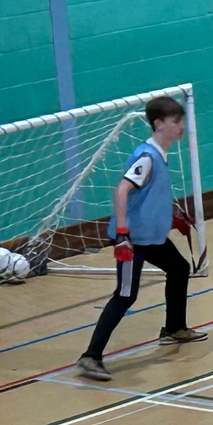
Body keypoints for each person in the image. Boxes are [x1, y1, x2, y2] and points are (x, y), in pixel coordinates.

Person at [76, 96, 206, 382]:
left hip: (152, 238)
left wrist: (169, 218)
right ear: (159, 124)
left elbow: (148, 198)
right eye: (176, 122)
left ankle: (174, 328)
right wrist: (122, 235)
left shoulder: (160, 155)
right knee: (125, 294)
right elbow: (122, 190)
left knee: (179, 268)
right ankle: (90, 357)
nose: (182, 127)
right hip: (133, 241)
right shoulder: (147, 158)